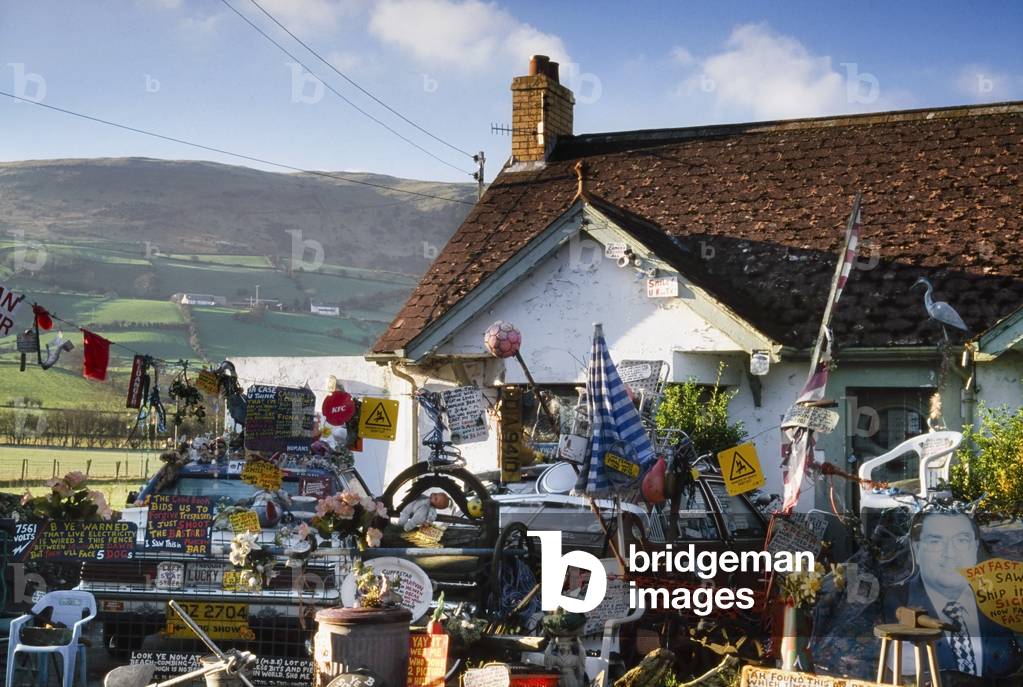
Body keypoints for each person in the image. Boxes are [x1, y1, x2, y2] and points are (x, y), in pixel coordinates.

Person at [884, 511, 1022, 683]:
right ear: (917, 549)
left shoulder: (1001, 601)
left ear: (975, 547)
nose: (950, 554)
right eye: (935, 541)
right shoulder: (898, 603)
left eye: (961, 540)